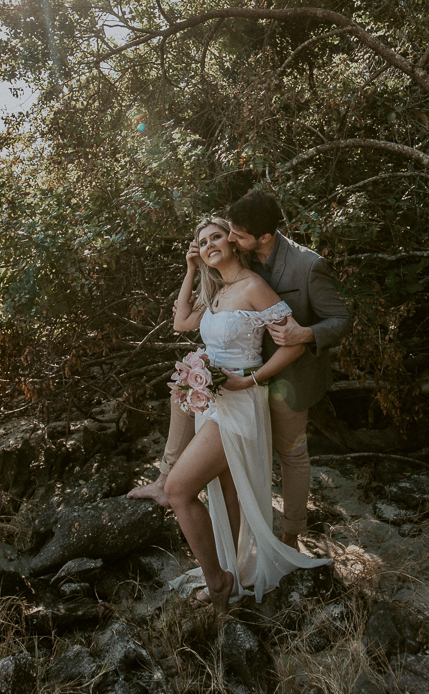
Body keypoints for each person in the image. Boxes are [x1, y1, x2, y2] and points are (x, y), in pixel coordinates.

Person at [130, 191, 352, 550]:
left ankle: (290, 535)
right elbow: (186, 319)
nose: (230, 238)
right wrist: (193, 271)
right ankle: (229, 541)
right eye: (226, 232)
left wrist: (305, 334)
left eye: (233, 235)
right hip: (238, 379)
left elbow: (340, 319)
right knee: (187, 407)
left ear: (263, 237)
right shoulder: (231, 271)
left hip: (288, 378)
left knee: (291, 455)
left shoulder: (306, 265)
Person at [163, 216, 331, 608]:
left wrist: (252, 379)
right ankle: (234, 570)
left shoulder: (254, 287)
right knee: (227, 492)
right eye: (202, 241)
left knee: (177, 490)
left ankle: (218, 582)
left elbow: (294, 342)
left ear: (233, 242)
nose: (209, 244)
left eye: (216, 236)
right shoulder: (217, 291)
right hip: (213, 402)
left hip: (239, 404)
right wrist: (190, 270)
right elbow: (181, 322)